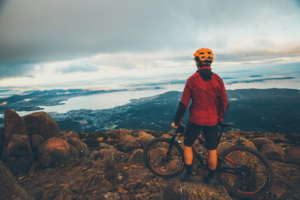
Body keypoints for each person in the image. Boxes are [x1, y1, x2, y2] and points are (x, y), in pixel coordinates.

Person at [171, 48, 229, 185]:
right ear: (210, 62)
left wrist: (177, 121)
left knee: (188, 145)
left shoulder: (192, 80)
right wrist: (219, 118)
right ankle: (210, 178)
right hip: (211, 120)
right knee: (212, 150)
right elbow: (225, 102)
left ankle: (188, 174)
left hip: (195, 119)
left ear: (198, 62)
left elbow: (183, 105)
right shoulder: (218, 80)